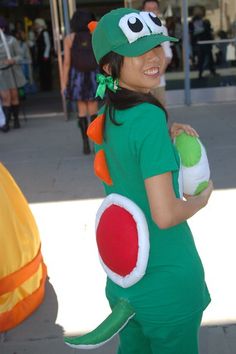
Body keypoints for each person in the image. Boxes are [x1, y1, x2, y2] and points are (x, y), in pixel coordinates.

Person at [88, 8, 213, 354]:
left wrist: (167, 139)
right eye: (138, 52)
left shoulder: (108, 114)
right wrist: (202, 199)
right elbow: (165, 214)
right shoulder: (148, 118)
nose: (154, 57)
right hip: (167, 281)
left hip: (125, 284)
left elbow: (130, 164)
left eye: (157, 46)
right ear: (110, 66)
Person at [62, 10, 98, 155]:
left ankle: (85, 145)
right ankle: (96, 144)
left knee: (82, 111)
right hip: (94, 76)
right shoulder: (96, 36)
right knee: (93, 110)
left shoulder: (69, 38)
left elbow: (66, 63)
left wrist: (64, 84)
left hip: (77, 77)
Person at [142, 0, 173, 107]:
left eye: (154, 9)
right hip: (140, 81)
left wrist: (157, 75)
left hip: (158, 80)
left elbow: (167, 55)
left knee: (161, 111)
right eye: (148, 9)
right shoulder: (135, 31)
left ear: (158, 11)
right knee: (143, 113)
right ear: (143, 11)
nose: (151, 12)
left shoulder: (162, 29)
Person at [0, 16, 26, 132]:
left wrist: (13, 60)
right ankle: (6, 122)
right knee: (6, 97)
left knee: (14, 96)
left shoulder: (12, 40)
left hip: (12, 71)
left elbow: (21, 55)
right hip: (1, 73)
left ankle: (16, 120)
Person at [189, 7, 217, 79]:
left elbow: (204, 31)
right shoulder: (194, 22)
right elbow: (194, 32)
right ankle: (202, 73)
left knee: (207, 58)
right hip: (201, 43)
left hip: (204, 42)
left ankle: (209, 71)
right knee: (202, 58)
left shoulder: (203, 22)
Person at [34, 18, 52, 91]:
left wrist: (46, 55)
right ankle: (44, 86)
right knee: (42, 71)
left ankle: (47, 86)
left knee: (46, 71)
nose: (35, 26)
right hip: (40, 54)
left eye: (36, 24)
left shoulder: (44, 32)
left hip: (44, 54)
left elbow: (48, 44)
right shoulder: (38, 33)